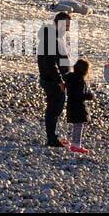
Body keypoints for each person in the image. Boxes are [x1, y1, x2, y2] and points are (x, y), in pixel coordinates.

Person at [36, 12, 72, 147]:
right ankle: (52, 139)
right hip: (52, 81)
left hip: (53, 80)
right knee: (54, 109)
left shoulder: (56, 37)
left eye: (69, 25)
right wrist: (59, 81)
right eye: (66, 25)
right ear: (58, 23)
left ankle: (54, 136)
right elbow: (50, 63)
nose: (68, 28)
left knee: (56, 109)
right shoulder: (51, 38)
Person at [63, 59, 95, 154]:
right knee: (78, 125)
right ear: (85, 70)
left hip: (71, 104)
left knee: (75, 124)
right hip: (79, 106)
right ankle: (76, 145)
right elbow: (80, 94)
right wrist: (91, 96)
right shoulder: (80, 80)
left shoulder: (69, 77)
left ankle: (72, 142)